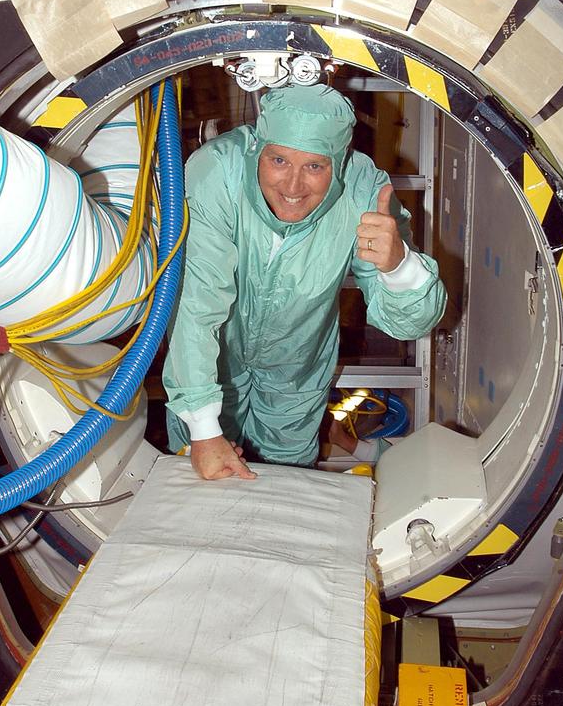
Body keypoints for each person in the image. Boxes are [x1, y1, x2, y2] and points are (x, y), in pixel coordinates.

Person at [163, 82, 446, 480]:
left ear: (339, 163)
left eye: (314, 166)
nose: (293, 187)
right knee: (199, 474)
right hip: (209, 359)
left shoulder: (363, 189)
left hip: (297, 369)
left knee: (287, 480)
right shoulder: (218, 173)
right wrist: (205, 431)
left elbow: (407, 323)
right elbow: (197, 302)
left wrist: (399, 267)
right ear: (257, 149)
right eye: (279, 160)